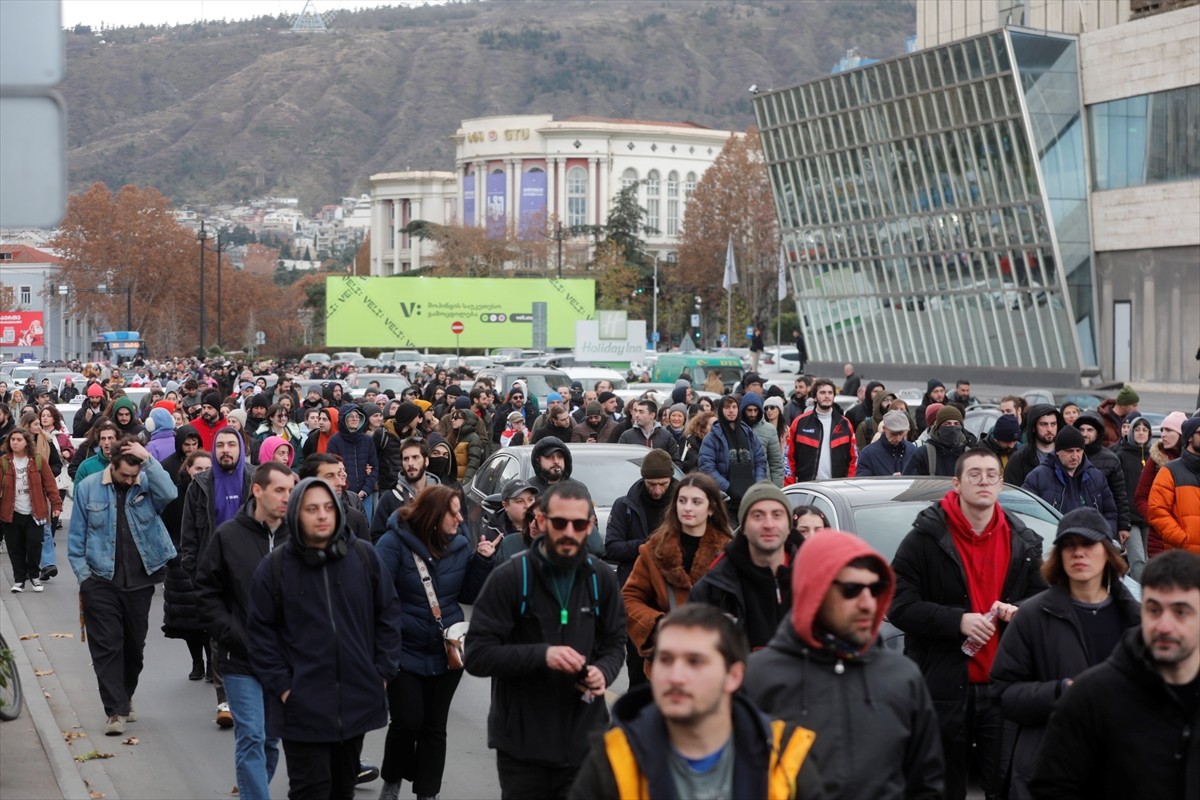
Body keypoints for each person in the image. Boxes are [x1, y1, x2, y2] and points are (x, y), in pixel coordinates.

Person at [889, 447, 1046, 800]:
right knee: (940, 788)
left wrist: (1018, 611)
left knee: (1005, 787)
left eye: (992, 474)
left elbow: (1043, 602)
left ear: (1002, 484)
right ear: (957, 483)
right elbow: (898, 605)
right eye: (974, 474)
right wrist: (956, 620)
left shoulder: (1023, 542)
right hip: (942, 687)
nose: (984, 481)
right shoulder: (923, 540)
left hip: (1003, 688)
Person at [743, 530, 945, 800]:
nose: (867, 603)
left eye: (875, 589)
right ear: (815, 590)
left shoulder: (902, 677)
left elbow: (927, 784)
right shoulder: (757, 678)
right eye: (851, 590)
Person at [244, 476, 403, 800]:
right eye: (312, 508)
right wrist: (286, 687)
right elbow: (261, 634)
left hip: (356, 701)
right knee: (310, 791)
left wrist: (382, 674)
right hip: (303, 705)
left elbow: (388, 615)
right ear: (296, 515)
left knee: (343, 790)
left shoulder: (363, 557)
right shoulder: (274, 568)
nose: (322, 515)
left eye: (328, 508)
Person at [465, 481, 626, 799]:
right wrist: (543, 655)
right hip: (523, 749)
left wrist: (602, 672)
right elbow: (477, 654)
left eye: (579, 524)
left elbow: (615, 642)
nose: (569, 531)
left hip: (585, 742)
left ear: (590, 525)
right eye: (559, 522)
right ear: (540, 521)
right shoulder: (510, 577)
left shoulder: (601, 579)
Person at [569, 604, 823, 800]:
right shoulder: (614, 759)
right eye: (665, 660)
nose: (676, 677)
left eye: (695, 662)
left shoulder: (784, 756)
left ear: (733, 676)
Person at [989, 507, 1141, 800]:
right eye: (1069, 545)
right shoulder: (1032, 616)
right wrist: (1061, 692)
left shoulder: (1136, 621)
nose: (1078, 553)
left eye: (1088, 544)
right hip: (1049, 773)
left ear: (1108, 551)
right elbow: (1003, 693)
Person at [1029, 550, 1200, 799]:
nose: (1164, 625)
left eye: (1180, 612)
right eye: (1153, 610)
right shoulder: (1090, 698)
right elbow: (1053, 789)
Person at [374, 485, 498, 800]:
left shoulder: (459, 544)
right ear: (433, 515)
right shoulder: (392, 543)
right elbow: (377, 598)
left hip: (446, 651)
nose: (460, 519)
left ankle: (427, 793)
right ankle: (392, 780)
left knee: (434, 727)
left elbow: (467, 595)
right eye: (453, 512)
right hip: (404, 649)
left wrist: (482, 562)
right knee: (407, 721)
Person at [195, 462, 296, 800]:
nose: (287, 497)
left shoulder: (297, 538)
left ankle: (252, 792)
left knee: (269, 740)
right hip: (239, 656)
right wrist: (231, 632)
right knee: (251, 735)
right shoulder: (228, 536)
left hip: (283, 659)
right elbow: (207, 592)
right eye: (279, 490)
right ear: (258, 490)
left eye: (291, 490)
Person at [68, 436, 178, 736]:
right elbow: (77, 536)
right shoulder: (89, 487)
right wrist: (83, 577)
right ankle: (114, 711)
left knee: (134, 647)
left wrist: (148, 460)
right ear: (112, 467)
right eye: (124, 475)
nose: (130, 480)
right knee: (107, 647)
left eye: (134, 474)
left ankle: (125, 695)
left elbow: (170, 492)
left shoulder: (145, 482)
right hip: (99, 579)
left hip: (140, 580)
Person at [181, 427, 253, 728]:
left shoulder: (256, 479)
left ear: (240, 449)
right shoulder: (199, 485)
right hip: (216, 572)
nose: (226, 450)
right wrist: (193, 569)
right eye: (220, 444)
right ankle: (225, 698)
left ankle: (255, 692)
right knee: (220, 635)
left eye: (231, 445)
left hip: (254, 569)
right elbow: (189, 535)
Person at [623, 473, 732, 665]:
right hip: (668, 658)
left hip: (715, 658)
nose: (687, 508)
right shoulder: (654, 550)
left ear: (711, 508)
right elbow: (629, 598)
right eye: (682, 501)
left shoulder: (728, 553)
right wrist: (658, 625)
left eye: (696, 502)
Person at [690, 482, 802, 650]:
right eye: (758, 515)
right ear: (744, 527)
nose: (769, 524)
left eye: (777, 515)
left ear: (789, 526)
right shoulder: (712, 590)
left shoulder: (816, 580)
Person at [605, 448, 679, 688]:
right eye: (651, 484)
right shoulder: (625, 506)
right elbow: (613, 548)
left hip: (674, 597)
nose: (657, 490)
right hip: (638, 596)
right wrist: (646, 547)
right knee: (637, 668)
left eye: (662, 484)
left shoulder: (684, 505)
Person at [1022, 426, 1119, 539]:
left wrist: (1105, 537)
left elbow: (1110, 513)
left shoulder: (1096, 477)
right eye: (1069, 451)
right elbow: (1027, 515)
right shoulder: (1037, 477)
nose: (1075, 456)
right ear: (1057, 451)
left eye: (1079, 451)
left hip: (1090, 544)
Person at [2, 428, 63, 593]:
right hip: (11, 512)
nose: (15, 442)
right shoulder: (4, 462)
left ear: (26, 442)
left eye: (18, 439)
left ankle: (34, 575)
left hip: (35, 511)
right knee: (15, 548)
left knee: (35, 544)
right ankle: (19, 580)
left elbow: (50, 484)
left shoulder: (37, 460)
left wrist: (56, 505)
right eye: (12, 439)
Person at [700, 395, 767, 517]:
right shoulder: (712, 438)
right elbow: (707, 467)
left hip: (750, 499)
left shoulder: (748, 433)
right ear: (721, 410)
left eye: (734, 407)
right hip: (725, 502)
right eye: (727, 407)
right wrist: (728, 488)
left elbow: (760, 461)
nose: (731, 410)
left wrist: (758, 484)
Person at [1136, 410, 1188, 558]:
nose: (1163, 434)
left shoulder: (1192, 462)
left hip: (1188, 538)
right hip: (1159, 539)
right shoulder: (1155, 460)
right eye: (1163, 429)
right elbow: (1140, 498)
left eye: (1169, 430)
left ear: (1181, 434)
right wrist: (1158, 520)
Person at [1147, 415, 1200, 554]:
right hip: (1183, 557)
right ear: (1189, 437)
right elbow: (1157, 510)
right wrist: (1182, 540)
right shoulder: (1170, 471)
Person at [786, 378, 856, 483]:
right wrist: (790, 485)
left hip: (837, 487)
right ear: (814, 397)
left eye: (830, 393)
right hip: (807, 486)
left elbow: (854, 459)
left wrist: (848, 484)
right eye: (822, 392)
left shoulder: (845, 424)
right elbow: (788, 458)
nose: (827, 396)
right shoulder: (799, 422)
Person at [1113, 414, 1153, 579]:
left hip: (1149, 517)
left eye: (1145, 430)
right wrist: (1122, 519)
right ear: (1130, 432)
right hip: (1130, 518)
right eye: (1137, 429)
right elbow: (1119, 489)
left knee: (1148, 559)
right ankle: (1140, 597)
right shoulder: (1121, 455)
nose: (1141, 433)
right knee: (1138, 559)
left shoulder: (1153, 457)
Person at [1003, 404, 1062, 488]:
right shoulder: (1019, 459)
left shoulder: (1068, 454)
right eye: (1044, 424)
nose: (1049, 429)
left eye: (1053, 424)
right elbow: (1012, 496)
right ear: (1033, 427)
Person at [904, 405, 969, 477]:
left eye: (956, 424)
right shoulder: (923, 453)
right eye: (947, 424)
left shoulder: (968, 455)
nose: (952, 428)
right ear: (938, 427)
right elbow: (910, 481)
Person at [740, 393, 785, 487]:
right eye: (749, 410)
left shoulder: (769, 430)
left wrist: (776, 490)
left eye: (755, 410)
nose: (752, 414)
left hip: (763, 485)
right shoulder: (735, 428)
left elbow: (776, 464)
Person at [856, 409, 916, 476]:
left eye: (901, 434)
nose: (898, 439)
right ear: (884, 429)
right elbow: (863, 483)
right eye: (893, 434)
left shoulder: (912, 450)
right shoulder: (868, 454)